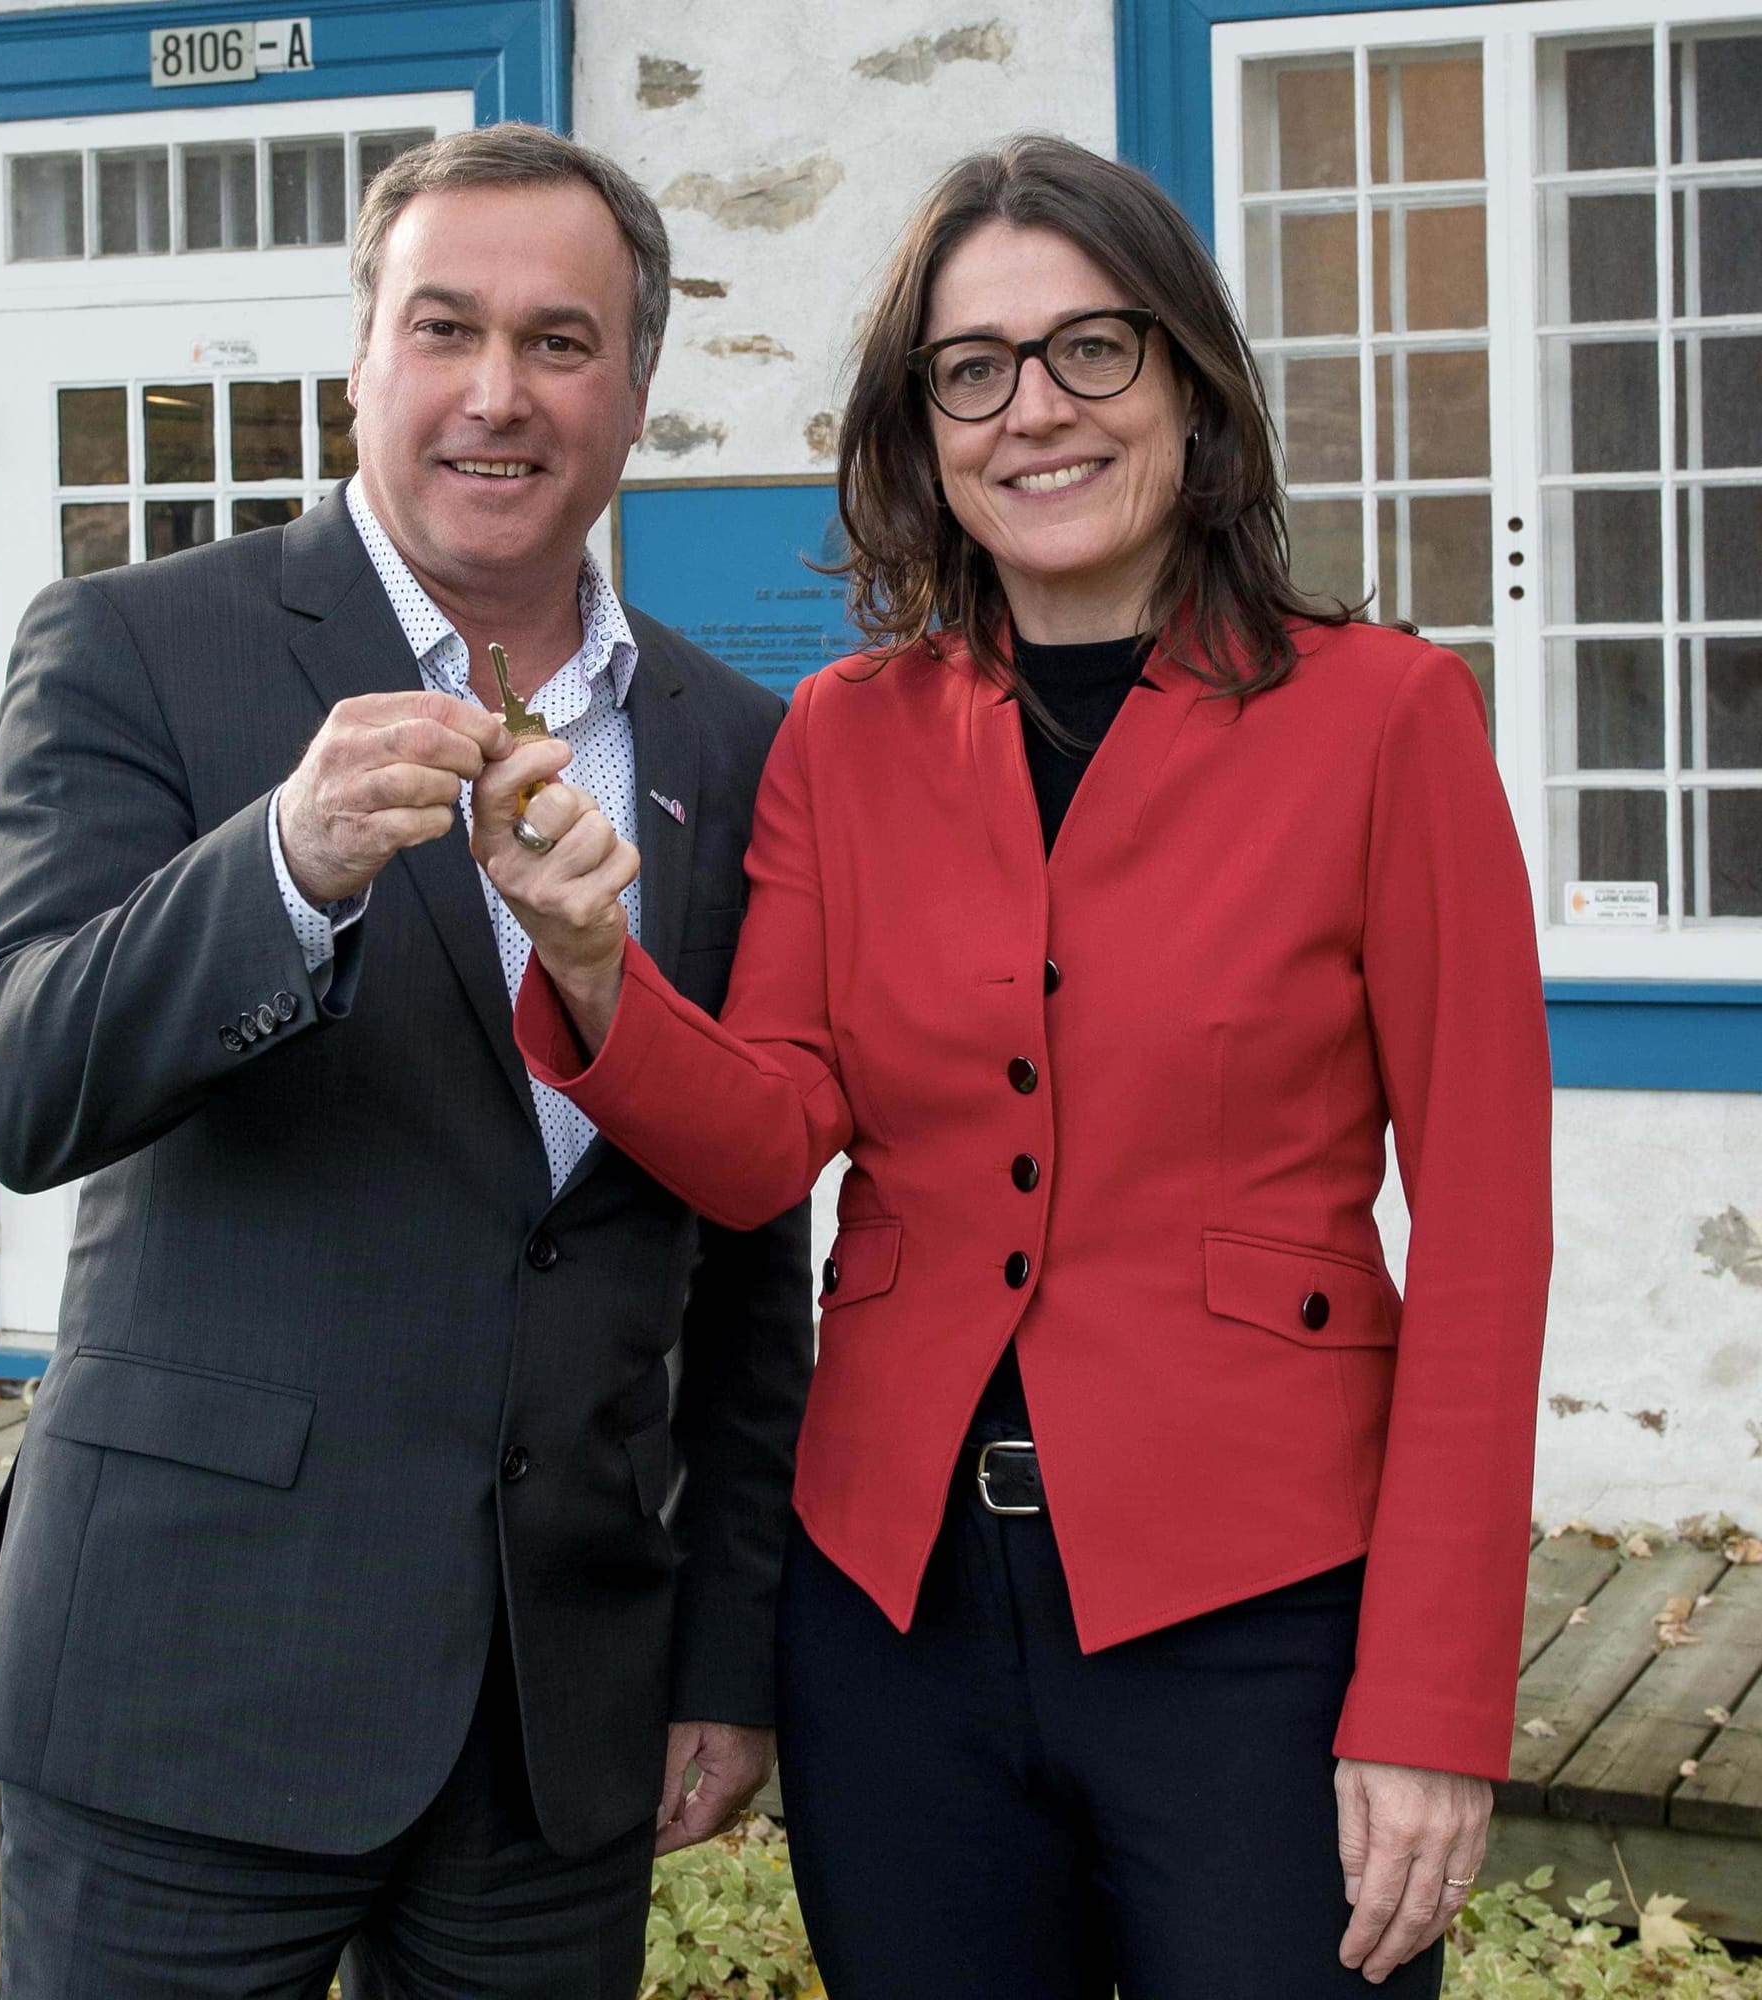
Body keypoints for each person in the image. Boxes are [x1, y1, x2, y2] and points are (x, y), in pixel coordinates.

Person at [473, 136, 1553, 1997]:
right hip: (896, 1629)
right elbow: (766, 1144)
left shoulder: (1387, 716)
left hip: (1259, 1618)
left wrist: (1435, 1701)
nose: (1032, 411)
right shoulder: (843, 735)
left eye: (1091, 352)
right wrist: (593, 966)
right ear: (923, 429)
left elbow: (1484, 1242)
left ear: (1195, 390)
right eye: (974, 370)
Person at [0, 124, 811, 2000]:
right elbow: (15, 1088)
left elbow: (751, 1237)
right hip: (190, 1678)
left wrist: (725, 1655)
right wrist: (282, 866)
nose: (497, 394)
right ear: (363, 359)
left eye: (562, 341)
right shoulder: (137, 646)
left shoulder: (733, 745)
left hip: (553, 1717)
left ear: (636, 390)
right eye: (445, 327)